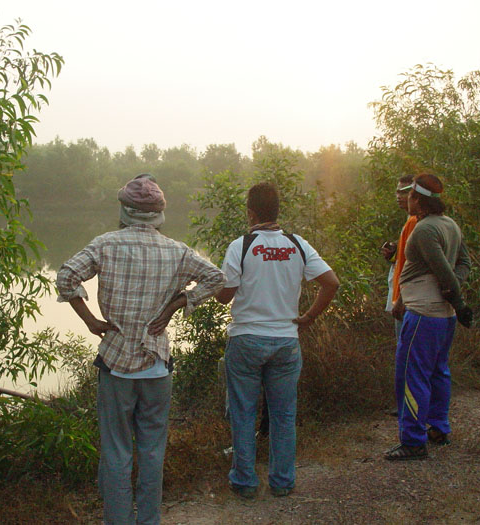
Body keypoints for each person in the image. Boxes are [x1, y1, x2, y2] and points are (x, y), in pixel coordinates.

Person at [56, 174, 225, 524]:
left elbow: (66, 276)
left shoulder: (106, 244)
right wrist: (177, 303)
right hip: (157, 367)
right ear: (159, 214)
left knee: (117, 451)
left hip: (116, 363)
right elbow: (216, 278)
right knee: (151, 450)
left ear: (125, 210)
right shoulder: (177, 251)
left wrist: (90, 320)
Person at [215, 182, 339, 498]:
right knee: (284, 415)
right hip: (286, 341)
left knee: (243, 412)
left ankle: (244, 482)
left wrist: (212, 285)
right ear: (277, 210)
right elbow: (331, 283)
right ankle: (282, 482)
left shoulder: (240, 246)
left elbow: (224, 297)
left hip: (246, 340)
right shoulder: (297, 244)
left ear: (250, 212)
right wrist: (309, 316)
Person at [385, 173, 472, 461]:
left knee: (412, 376)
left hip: (423, 314)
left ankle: (412, 440)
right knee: (438, 371)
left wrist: (456, 298)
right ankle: (438, 427)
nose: (406, 199)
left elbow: (443, 270)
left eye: (410, 195)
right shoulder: (450, 225)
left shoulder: (424, 230)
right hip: (442, 316)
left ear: (418, 200)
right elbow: (463, 263)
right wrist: (451, 295)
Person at [382, 174, 415, 337]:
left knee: (407, 354)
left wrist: (402, 300)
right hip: (403, 297)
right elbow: (407, 255)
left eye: (403, 192)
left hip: (409, 301)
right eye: (397, 191)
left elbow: (416, 264)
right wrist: (394, 253)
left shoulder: (416, 221)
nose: (398, 196)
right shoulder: (410, 220)